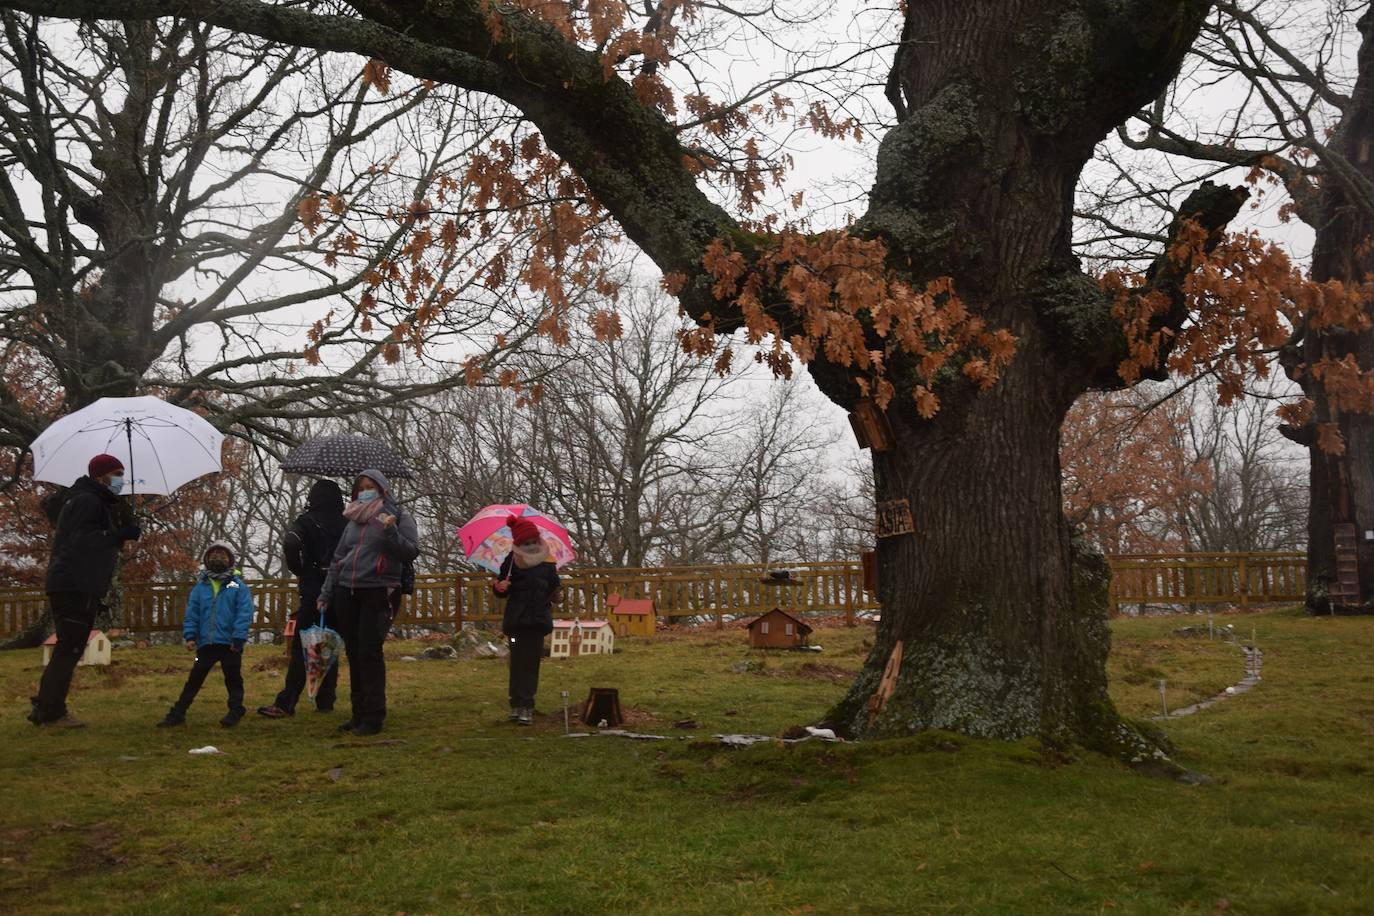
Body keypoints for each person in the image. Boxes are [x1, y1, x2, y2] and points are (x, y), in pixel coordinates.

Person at [28, 453, 141, 728]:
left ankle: (44, 706)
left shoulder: (85, 499)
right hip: (74, 584)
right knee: (71, 647)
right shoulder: (89, 501)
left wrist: (120, 524)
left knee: (68, 647)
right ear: (100, 476)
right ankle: (52, 712)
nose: (120, 480)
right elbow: (84, 542)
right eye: (116, 474)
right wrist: (120, 533)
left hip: (70, 582)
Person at [318, 469, 419, 737]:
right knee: (353, 652)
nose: (364, 490)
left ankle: (374, 716)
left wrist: (390, 531)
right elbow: (339, 558)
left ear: (383, 489)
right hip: (347, 591)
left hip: (379, 590)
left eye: (370, 486)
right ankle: (358, 713)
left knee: (369, 651)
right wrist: (326, 594)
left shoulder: (398, 517)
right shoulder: (352, 519)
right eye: (360, 486)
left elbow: (410, 551)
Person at [258, 479, 347, 718]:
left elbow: (291, 541)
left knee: (302, 646)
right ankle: (326, 700)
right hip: (340, 590)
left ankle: (287, 702)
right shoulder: (347, 521)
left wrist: (300, 569)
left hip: (313, 590)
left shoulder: (307, 520)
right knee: (330, 642)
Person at [157, 542, 255, 728]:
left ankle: (236, 710)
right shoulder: (200, 587)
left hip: (231, 644)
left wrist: (239, 638)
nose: (218, 558)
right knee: (195, 678)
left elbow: (244, 613)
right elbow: (192, 613)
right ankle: (178, 713)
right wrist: (190, 636)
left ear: (231, 560)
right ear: (207, 560)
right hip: (206, 644)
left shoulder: (237, 585)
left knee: (233, 678)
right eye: (214, 555)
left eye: (223, 555)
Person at [495, 516, 562, 726]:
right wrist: (500, 588)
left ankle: (527, 706)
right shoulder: (511, 562)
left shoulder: (548, 563)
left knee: (531, 665)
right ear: (519, 544)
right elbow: (500, 588)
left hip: (537, 622)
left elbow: (554, 587)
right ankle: (515, 704)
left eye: (534, 541)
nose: (532, 546)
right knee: (517, 663)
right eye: (527, 543)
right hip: (516, 623)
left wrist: (558, 595)